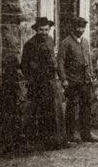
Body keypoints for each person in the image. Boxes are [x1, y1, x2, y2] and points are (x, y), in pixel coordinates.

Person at [20, 17, 68, 150]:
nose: (44, 32)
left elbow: (54, 60)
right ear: (36, 30)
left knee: (56, 111)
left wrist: (59, 77)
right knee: (42, 112)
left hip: (51, 82)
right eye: (41, 30)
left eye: (46, 30)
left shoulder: (50, 40)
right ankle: (43, 142)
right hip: (38, 84)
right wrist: (33, 79)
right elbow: (24, 66)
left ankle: (58, 141)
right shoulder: (30, 45)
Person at [57, 17, 98, 143]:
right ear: (73, 27)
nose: (80, 30)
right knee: (72, 106)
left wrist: (92, 75)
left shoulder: (85, 42)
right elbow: (60, 62)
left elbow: (88, 60)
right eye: (78, 27)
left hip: (85, 80)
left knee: (86, 106)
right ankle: (71, 134)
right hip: (72, 80)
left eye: (82, 27)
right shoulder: (66, 43)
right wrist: (63, 79)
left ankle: (86, 133)